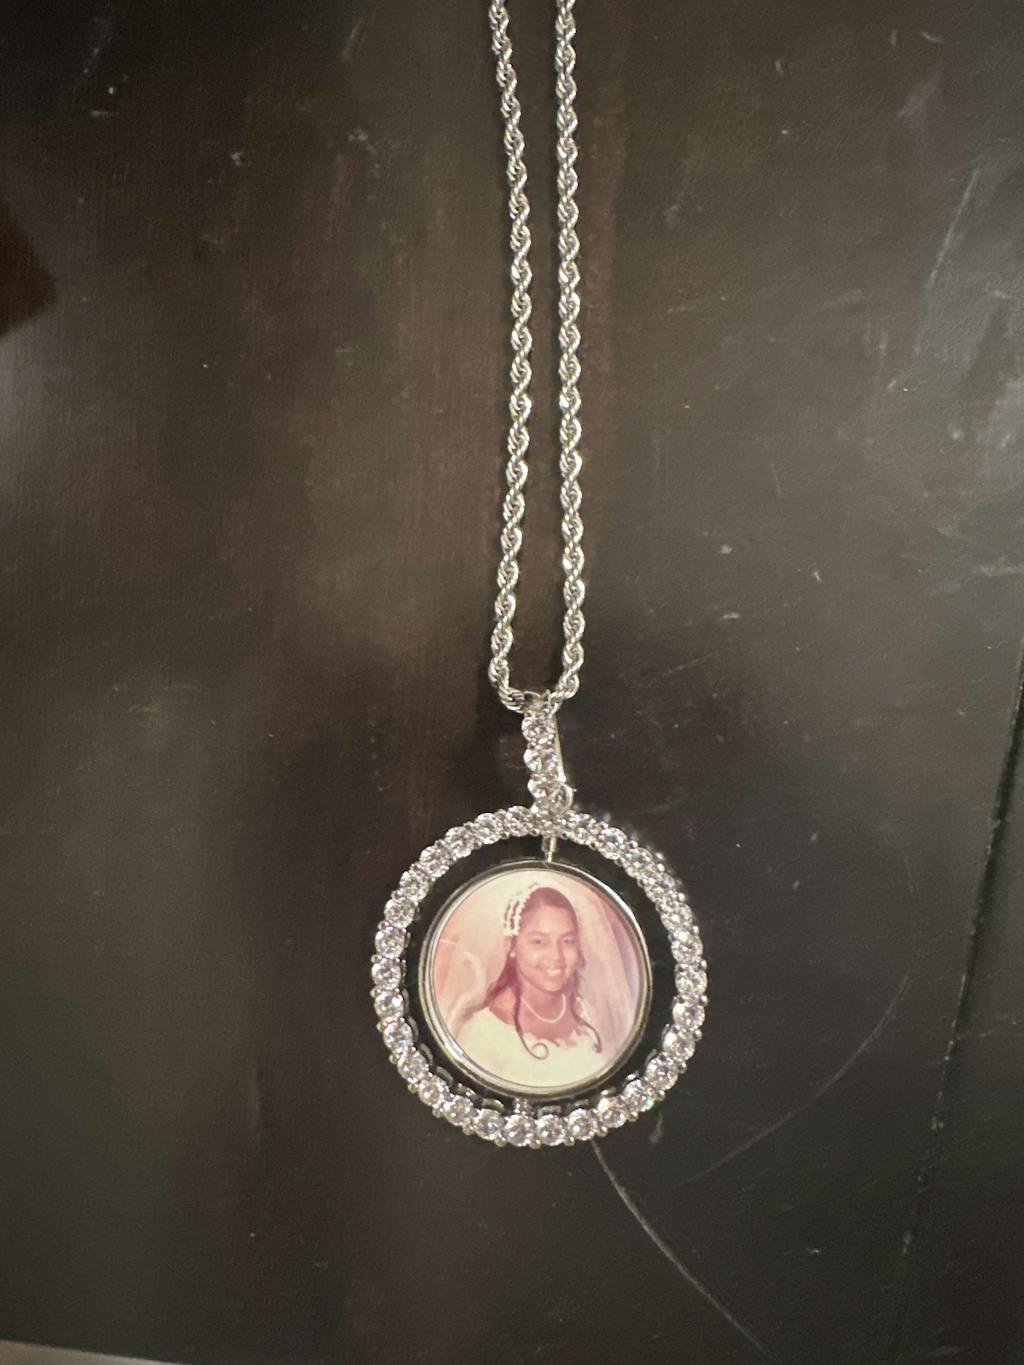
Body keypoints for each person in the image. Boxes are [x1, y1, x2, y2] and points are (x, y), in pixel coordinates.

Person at [431, 869, 642, 1094]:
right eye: (539, 942)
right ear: (511, 946)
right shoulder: (484, 1036)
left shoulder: (592, 1012)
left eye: (568, 941)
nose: (556, 956)